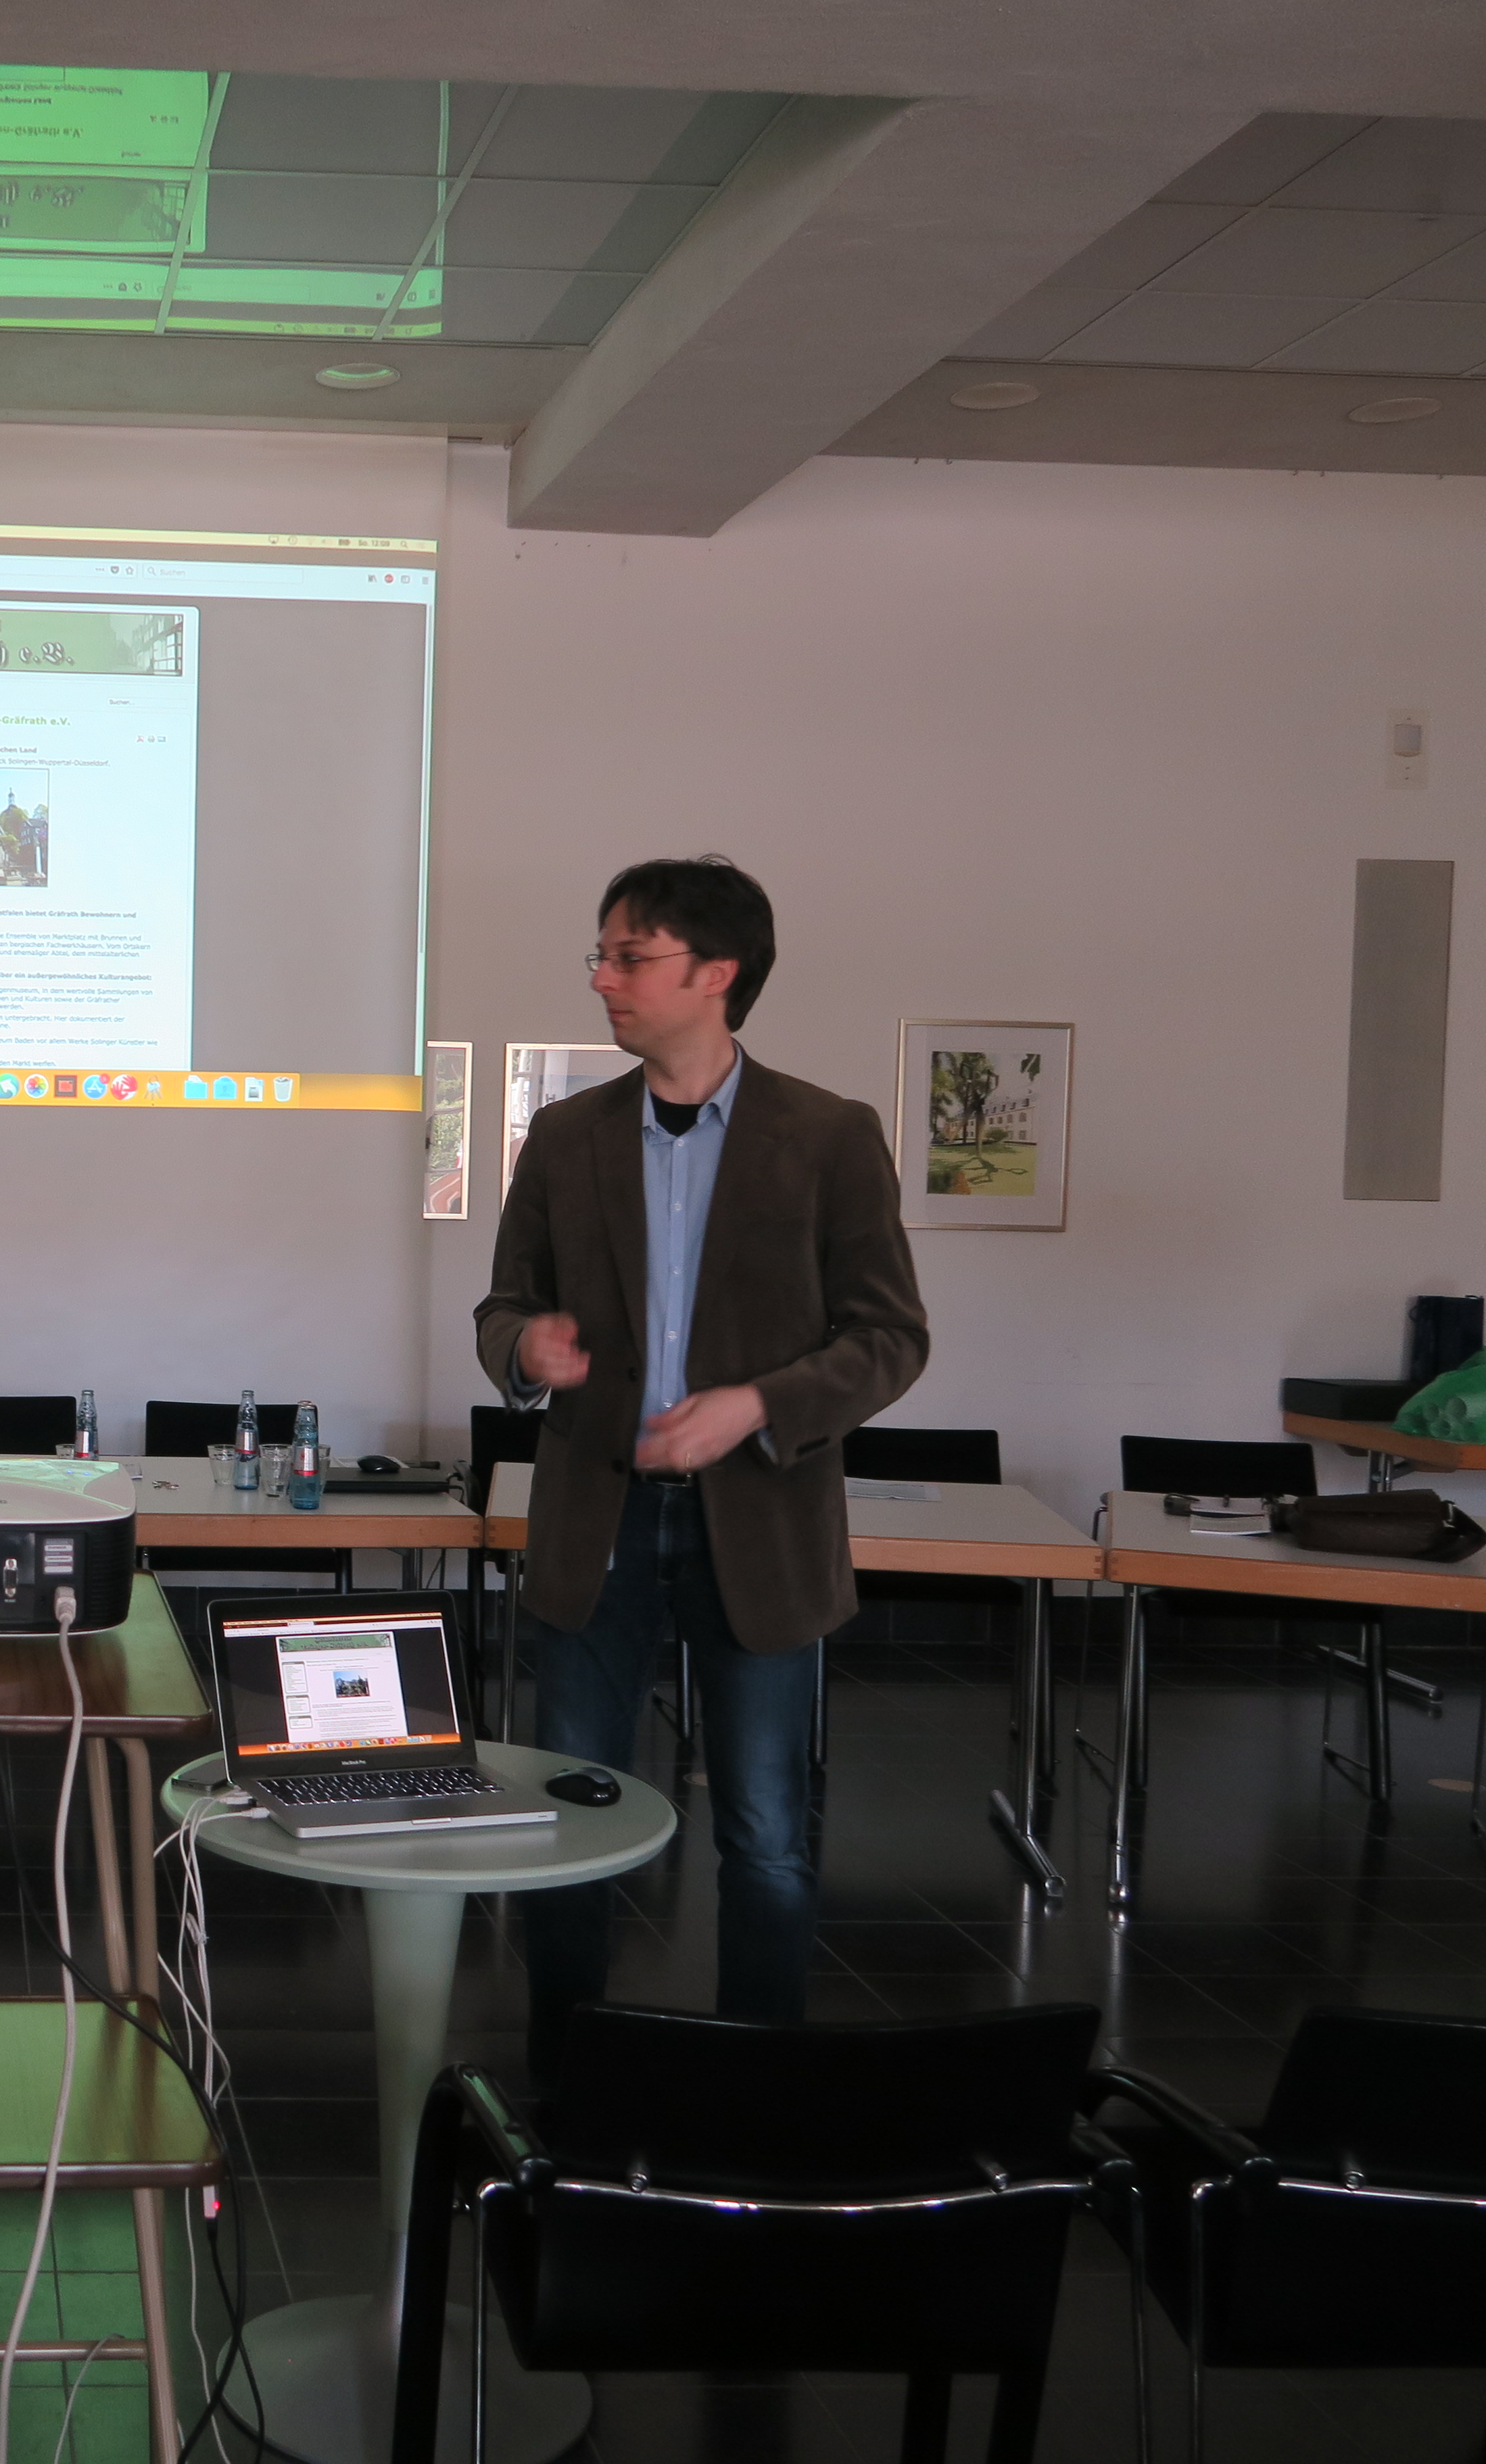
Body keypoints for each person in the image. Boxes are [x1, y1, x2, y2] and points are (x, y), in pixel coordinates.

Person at [475, 855, 927, 2070]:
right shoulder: (565, 1137)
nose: (603, 979)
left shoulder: (828, 1138)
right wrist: (525, 1346)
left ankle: (758, 2094)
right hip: (598, 1524)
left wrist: (759, 1407)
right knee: (569, 1823)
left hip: (761, 1526)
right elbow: (502, 1308)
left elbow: (891, 1339)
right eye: (603, 955)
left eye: (631, 956)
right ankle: (565, 2087)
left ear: (717, 973)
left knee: (766, 1835)